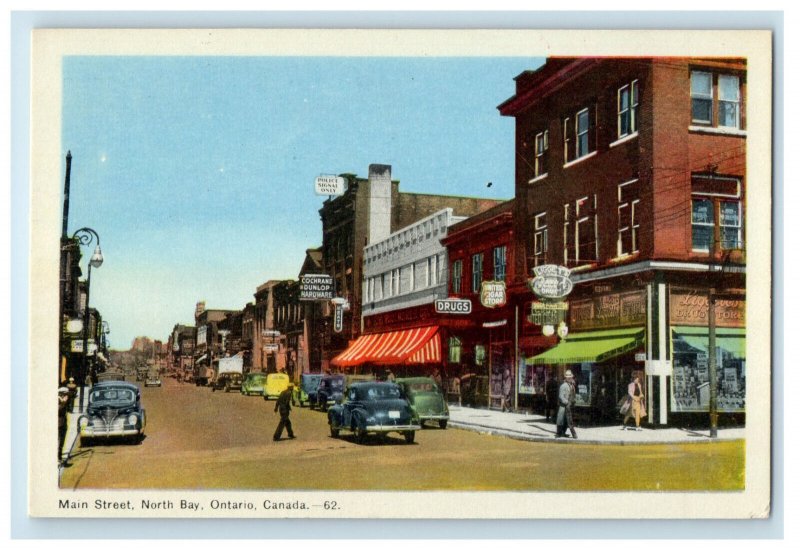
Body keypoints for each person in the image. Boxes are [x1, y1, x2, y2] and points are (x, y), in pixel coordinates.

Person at [555, 370, 577, 439]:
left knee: (566, 421)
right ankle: (558, 434)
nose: (570, 378)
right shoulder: (563, 386)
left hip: (569, 406)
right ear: (566, 378)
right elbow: (561, 396)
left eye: (570, 377)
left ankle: (563, 432)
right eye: (568, 377)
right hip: (563, 405)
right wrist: (566, 402)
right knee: (560, 419)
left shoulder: (571, 385)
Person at [58, 387, 70, 464]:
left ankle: (59, 457)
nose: (67, 396)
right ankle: (58, 458)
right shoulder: (58, 401)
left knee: (62, 441)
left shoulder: (63, 400)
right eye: (65, 394)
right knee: (59, 441)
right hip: (59, 423)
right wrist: (62, 401)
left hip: (63, 423)